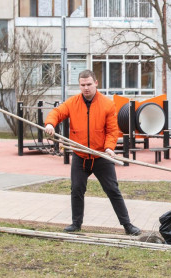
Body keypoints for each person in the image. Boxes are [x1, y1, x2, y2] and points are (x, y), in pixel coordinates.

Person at [44, 70, 141, 236]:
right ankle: (76, 224)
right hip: (80, 156)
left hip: (101, 156)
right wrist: (50, 124)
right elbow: (57, 112)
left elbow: (112, 131)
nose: (86, 88)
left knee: (112, 189)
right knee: (76, 189)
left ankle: (127, 225)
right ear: (79, 85)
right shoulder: (72, 103)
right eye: (82, 85)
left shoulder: (107, 104)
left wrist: (110, 147)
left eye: (89, 84)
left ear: (96, 83)